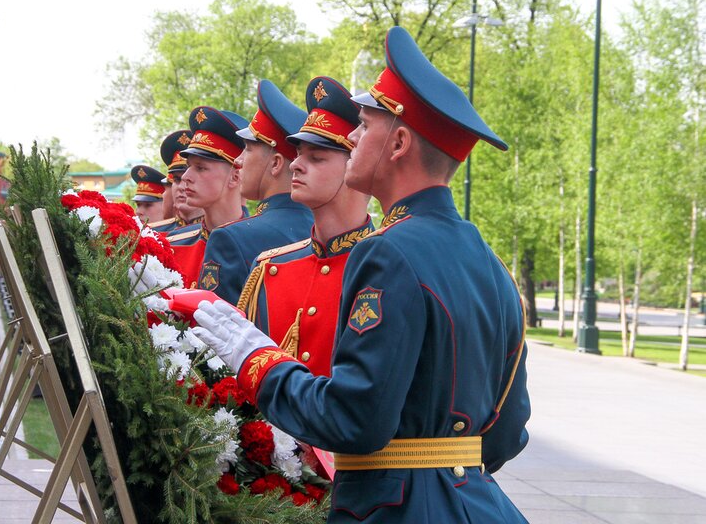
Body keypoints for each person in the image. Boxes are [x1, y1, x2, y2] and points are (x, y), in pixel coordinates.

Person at [189, 26, 530, 523]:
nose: (350, 135)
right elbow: (508, 428)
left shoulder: (388, 252)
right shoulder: (489, 261)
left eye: (364, 125)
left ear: (397, 143)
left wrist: (258, 359)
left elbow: (354, 419)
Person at [237, 76, 373, 377]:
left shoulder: (384, 269)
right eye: (298, 154)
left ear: (354, 164)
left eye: (317, 157)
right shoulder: (268, 269)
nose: (296, 165)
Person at [197, 80, 314, 304]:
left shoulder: (229, 238)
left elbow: (213, 334)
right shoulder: (323, 231)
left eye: (248, 149)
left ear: (276, 164)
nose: (239, 161)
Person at [167, 106, 249, 285]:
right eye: (189, 166)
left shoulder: (257, 245)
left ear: (235, 177)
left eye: (201, 168)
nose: (187, 177)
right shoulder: (173, 246)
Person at [150, 130, 204, 234]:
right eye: (177, 180)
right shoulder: (154, 234)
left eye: (189, 178)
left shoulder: (219, 232)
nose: (181, 187)